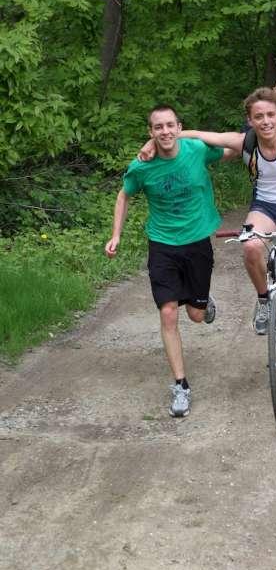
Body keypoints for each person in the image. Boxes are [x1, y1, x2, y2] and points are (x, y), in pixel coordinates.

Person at [140, 88, 276, 382]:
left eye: (270, 115)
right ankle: (264, 300)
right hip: (265, 208)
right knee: (251, 246)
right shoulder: (245, 141)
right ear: (250, 120)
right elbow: (197, 135)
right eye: (259, 116)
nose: (265, 121)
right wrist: (152, 142)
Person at [105, 104, 233, 418]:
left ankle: (202, 301)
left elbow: (232, 148)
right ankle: (180, 385)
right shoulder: (142, 167)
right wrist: (116, 235)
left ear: (179, 127)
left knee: (196, 316)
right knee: (168, 312)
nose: (164, 131)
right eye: (158, 127)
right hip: (162, 244)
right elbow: (124, 195)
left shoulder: (197, 150)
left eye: (169, 125)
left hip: (197, 241)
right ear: (150, 132)